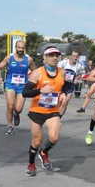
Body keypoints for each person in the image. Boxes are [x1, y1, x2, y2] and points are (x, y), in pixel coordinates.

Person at [21, 46, 65, 176]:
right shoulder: (38, 73)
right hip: (36, 111)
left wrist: (63, 93)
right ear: (44, 58)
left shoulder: (62, 72)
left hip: (52, 111)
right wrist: (41, 90)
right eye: (51, 55)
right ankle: (31, 164)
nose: (54, 58)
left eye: (56, 55)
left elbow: (66, 86)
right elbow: (25, 92)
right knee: (37, 141)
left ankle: (44, 152)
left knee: (54, 137)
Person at [0, 40, 36, 134]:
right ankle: (9, 125)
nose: (20, 49)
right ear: (16, 48)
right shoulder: (10, 57)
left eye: (22, 48)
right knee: (10, 106)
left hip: (23, 86)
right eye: (19, 47)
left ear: (24, 49)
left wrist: (34, 82)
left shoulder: (28, 59)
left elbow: (36, 71)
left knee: (19, 108)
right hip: (10, 84)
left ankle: (16, 114)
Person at [57, 50, 84, 118]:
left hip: (70, 86)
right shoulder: (64, 63)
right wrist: (63, 77)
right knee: (59, 102)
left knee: (65, 102)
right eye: (74, 56)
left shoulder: (78, 66)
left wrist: (76, 79)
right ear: (70, 56)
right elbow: (56, 71)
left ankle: (59, 118)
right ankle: (53, 116)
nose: (75, 58)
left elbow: (80, 74)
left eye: (76, 56)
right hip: (61, 85)